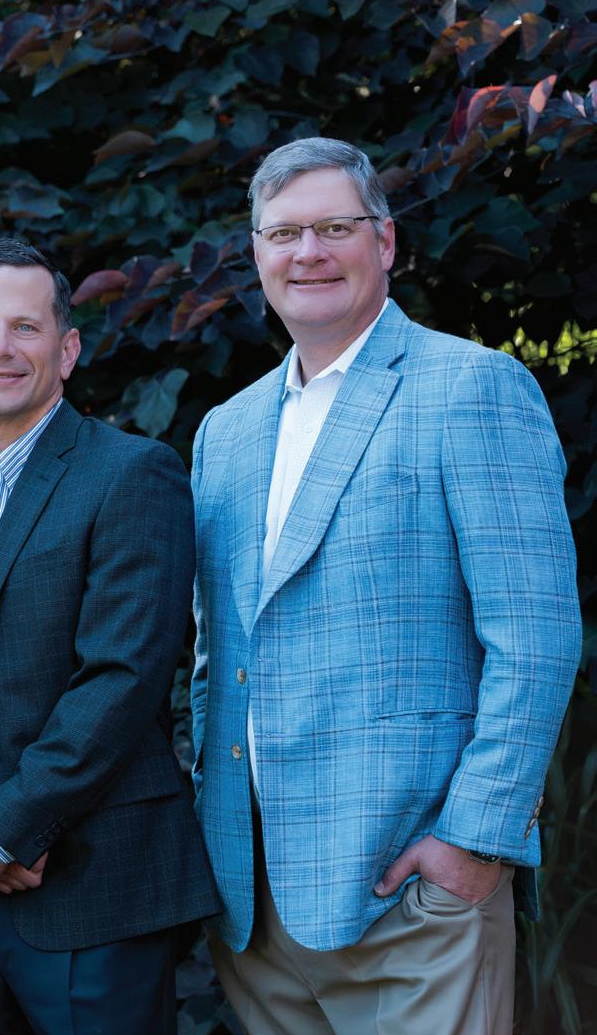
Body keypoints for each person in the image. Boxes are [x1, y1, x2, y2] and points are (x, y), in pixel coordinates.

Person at [191, 137, 581, 1034]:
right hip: (255, 907)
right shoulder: (226, 432)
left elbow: (535, 638)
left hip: (414, 895)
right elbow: (218, 656)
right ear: (256, 252)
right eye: (284, 233)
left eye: (336, 227)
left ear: (387, 241)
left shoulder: (472, 388)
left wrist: (473, 840)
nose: (308, 253)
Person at [0, 238, 219, 1034]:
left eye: (25, 327)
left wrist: (5, 827)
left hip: (96, 891)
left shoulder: (133, 473)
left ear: (67, 350)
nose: (0, 347)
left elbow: (123, 676)